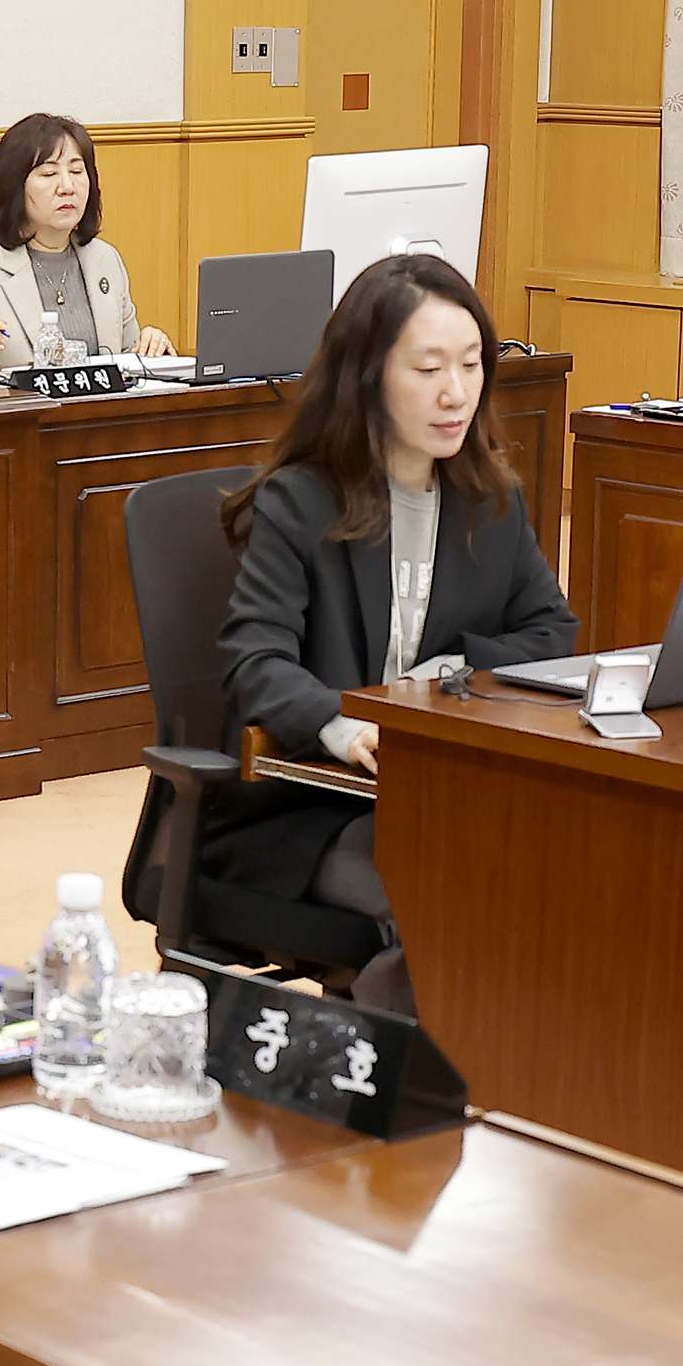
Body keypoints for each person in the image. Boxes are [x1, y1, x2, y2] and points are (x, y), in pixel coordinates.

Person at [209, 252, 574, 929]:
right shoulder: (301, 502)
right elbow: (255, 662)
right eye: (429, 370)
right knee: (451, 901)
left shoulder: (490, 502)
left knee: (555, 876)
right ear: (368, 376)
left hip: (443, 792)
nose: (456, 393)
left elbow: (553, 634)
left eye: (472, 365)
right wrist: (343, 725)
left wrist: (446, 676)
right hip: (308, 812)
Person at [0, 115, 174, 368]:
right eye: (49, 173)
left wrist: (149, 346)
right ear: (14, 186)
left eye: (77, 171)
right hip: (20, 396)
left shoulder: (105, 259)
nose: (67, 186)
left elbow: (125, 360)